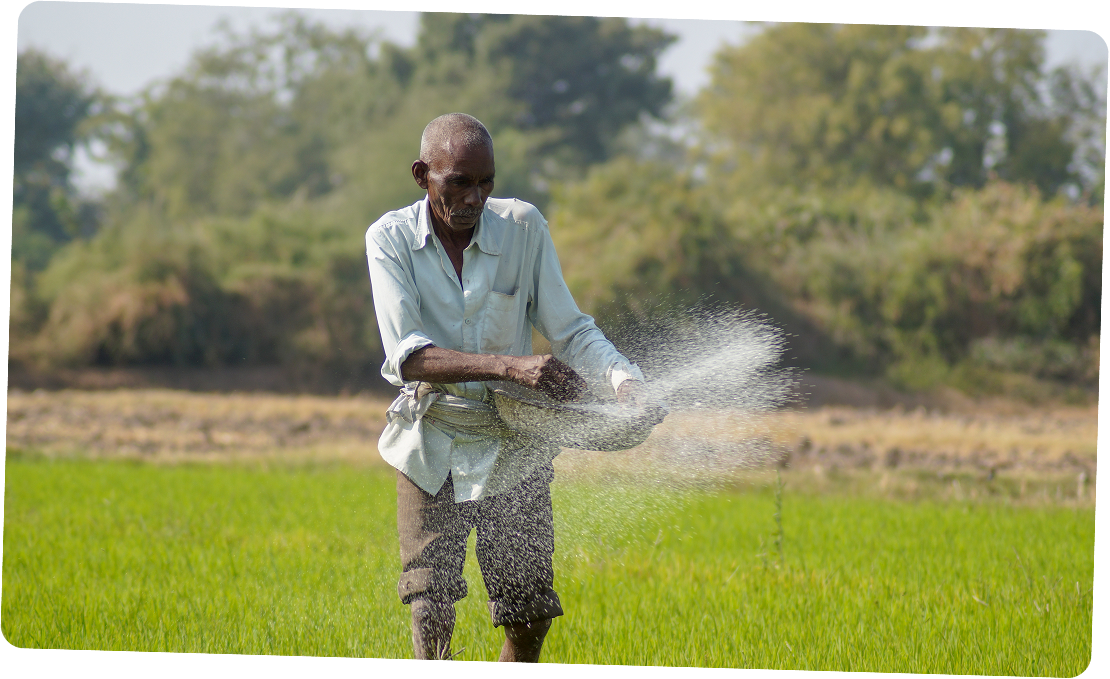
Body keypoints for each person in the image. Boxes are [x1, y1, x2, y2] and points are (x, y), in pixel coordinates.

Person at [365, 112, 660, 662]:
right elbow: (410, 357)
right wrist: (509, 366)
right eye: (459, 182)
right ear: (421, 175)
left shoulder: (523, 228)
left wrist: (625, 384)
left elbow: (570, 329)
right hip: (432, 441)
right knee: (430, 608)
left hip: (514, 441)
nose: (474, 197)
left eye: (486, 182)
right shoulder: (390, 240)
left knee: (527, 617)